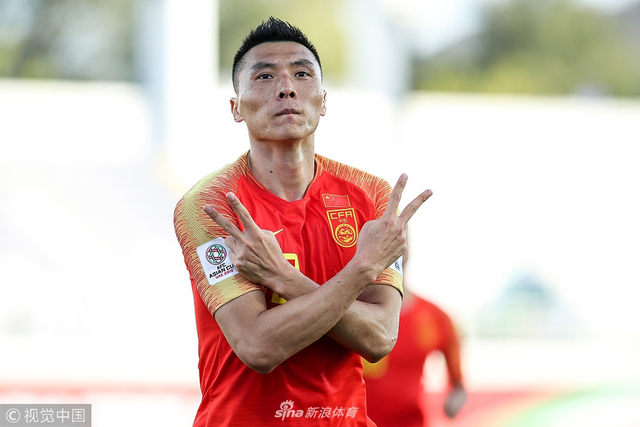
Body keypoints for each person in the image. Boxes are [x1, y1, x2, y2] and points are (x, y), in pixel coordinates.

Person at [173, 17, 432, 427]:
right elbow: (258, 347)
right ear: (236, 108)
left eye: (301, 73)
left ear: (323, 101)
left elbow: (380, 338)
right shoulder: (211, 203)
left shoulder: (371, 196)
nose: (286, 88)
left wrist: (283, 278)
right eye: (264, 76)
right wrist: (361, 270)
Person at [363, 251, 467, 427]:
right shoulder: (347, 311)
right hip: (355, 420)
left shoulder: (436, 317)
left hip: (411, 421)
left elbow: (458, 386)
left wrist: (454, 400)